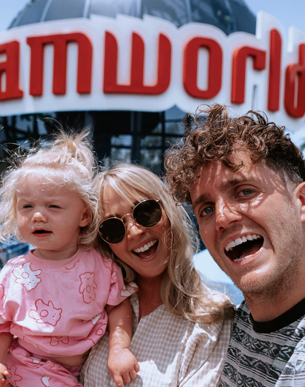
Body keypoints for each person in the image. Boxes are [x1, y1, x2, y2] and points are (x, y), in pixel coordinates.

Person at [164, 104, 305, 387]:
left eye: (245, 191)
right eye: (207, 209)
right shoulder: (230, 327)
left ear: (303, 202)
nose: (222, 217)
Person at [0, 131, 139, 387]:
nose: (38, 216)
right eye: (27, 206)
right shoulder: (13, 272)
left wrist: (119, 349)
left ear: (84, 216)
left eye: (53, 206)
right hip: (28, 366)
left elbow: (118, 305)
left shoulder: (101, 264)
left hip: (88, 363)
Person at [81, 163, 234, 386]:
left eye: (144, 212)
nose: (134, 231)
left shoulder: (212, 316)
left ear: (169, 211)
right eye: (113, 227)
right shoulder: (90, 306)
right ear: (104, 242)